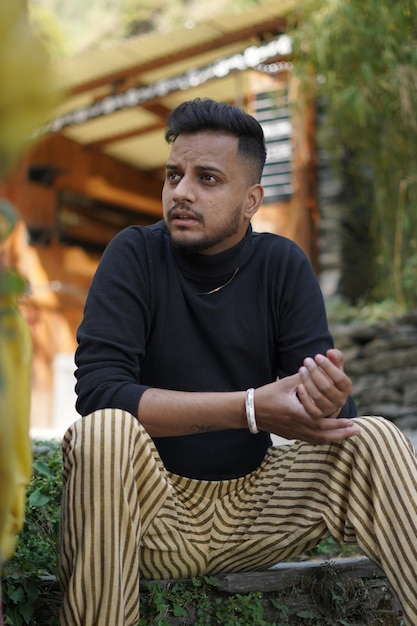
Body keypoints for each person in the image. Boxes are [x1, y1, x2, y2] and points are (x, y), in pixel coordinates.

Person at [59, 98, 417, 626]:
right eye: (173, 175)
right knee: (103, 431)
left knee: (376, 436)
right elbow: (98, 393)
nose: (181, 192)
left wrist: (327, 398)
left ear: (251, 200)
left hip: (258, 511)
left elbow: (333, 418)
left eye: (207, 178)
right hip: (151, 514)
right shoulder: (133, 255)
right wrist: (249, 408)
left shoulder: (281, 264)